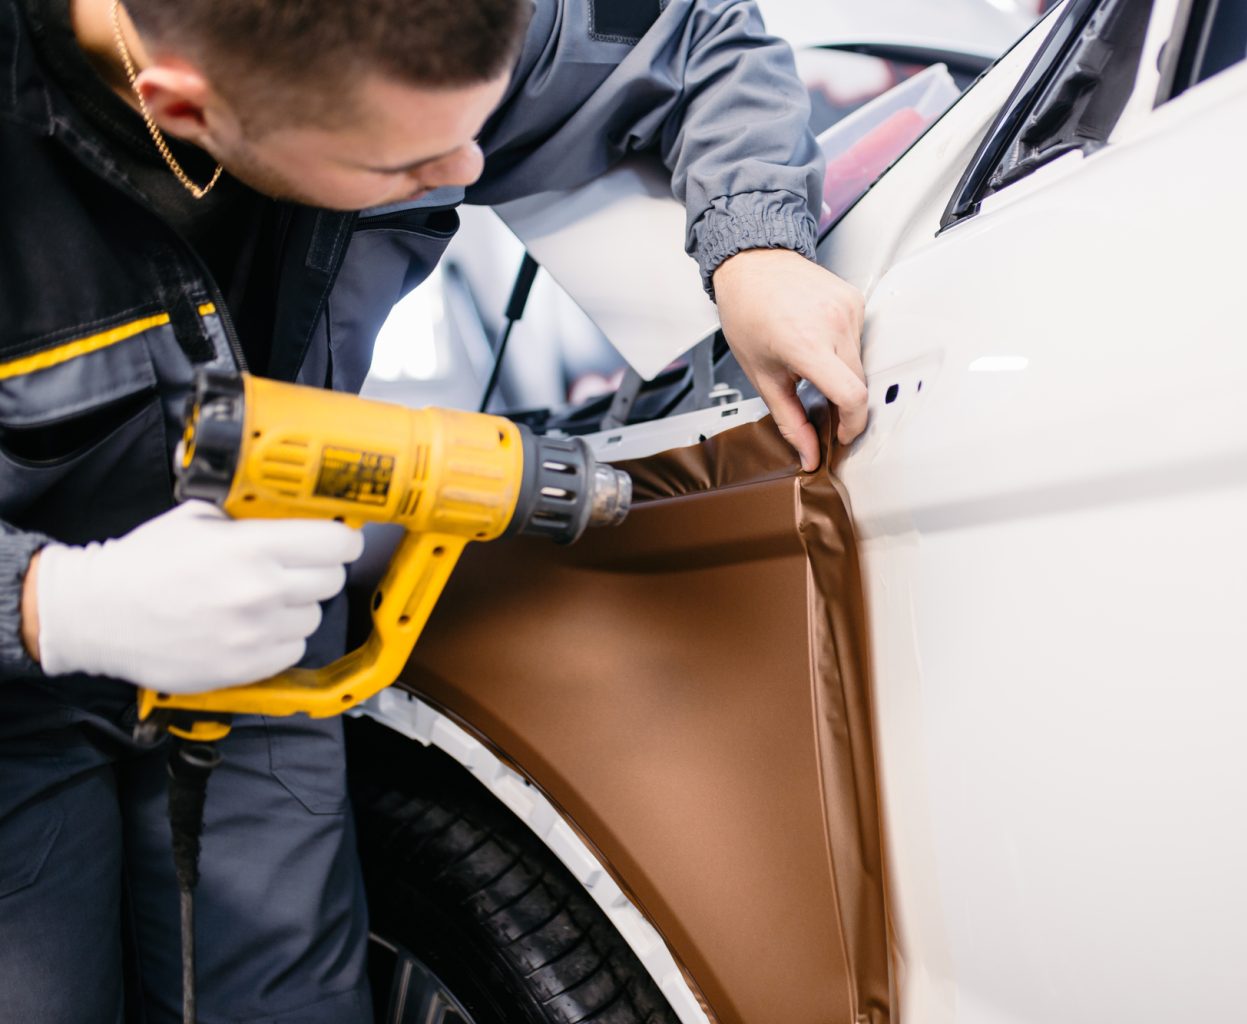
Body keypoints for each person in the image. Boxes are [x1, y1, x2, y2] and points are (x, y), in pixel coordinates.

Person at [0, 0, 867, 1019]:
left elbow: (693, 36)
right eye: (403, 169)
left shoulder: (410, 26)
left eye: (477, 126)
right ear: (183, 107)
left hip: (264, 651)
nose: (466, 170)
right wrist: (56, 603)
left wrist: (756, 246)